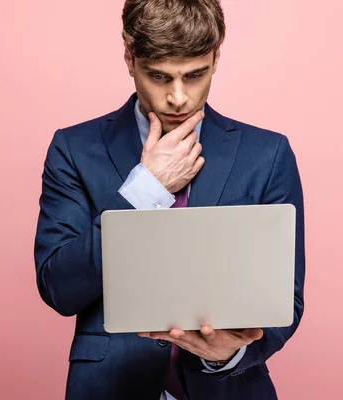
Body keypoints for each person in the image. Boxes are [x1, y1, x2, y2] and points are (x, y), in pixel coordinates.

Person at [33, 0, 305, 399]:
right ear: (129, 57)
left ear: (216, 56)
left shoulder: (268, 154)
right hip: (111, 387)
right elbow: (59, 287)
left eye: (195, 75)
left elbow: (286, 299)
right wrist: (146, 189)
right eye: (158, 76)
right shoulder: (74, 149)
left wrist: (228, 353)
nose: (177, 98)